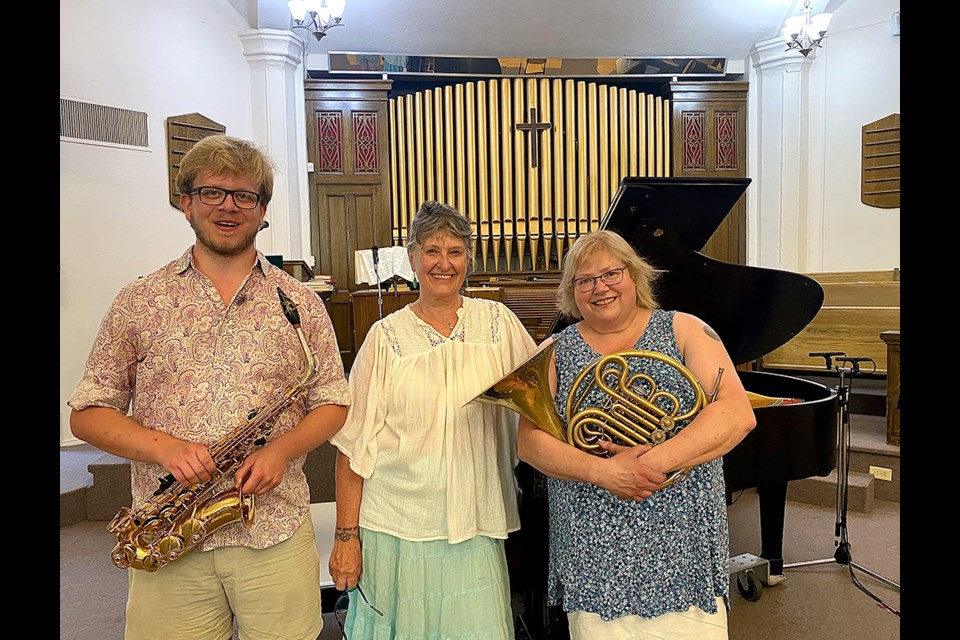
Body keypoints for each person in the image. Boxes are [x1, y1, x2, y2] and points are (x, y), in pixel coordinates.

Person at [68, 134, 350, 640]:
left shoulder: (300, 304)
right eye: (211, 192)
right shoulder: (140, 299)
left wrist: (281, 451)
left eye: (245, 196)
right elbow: (88, 412)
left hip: (274, 529)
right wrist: (167, 448)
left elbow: (332, 399)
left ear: (262, 209)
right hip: (171, 535)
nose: (228, 206)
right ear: (186, 203)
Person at [516, 229, 757, 639]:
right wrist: (604, 472)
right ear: (572, 292)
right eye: (585, 280)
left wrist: (649, 464)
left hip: (683, 548)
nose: (600, 287)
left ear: (635, 275)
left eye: (611, 273)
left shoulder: (685, 329)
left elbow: (736, 413)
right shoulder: (554, 350)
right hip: (593, 555)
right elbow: (528, 442)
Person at [328, 200, 537, 639]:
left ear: (469, 260)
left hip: (476, 516)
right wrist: (346, 538)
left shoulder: (497, 324)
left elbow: (541, 400)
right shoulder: (385, 338)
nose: (444, 263)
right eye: (432, 250)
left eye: (455, 251)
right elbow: (353, 446)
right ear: (412, 258)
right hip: (396, 523)